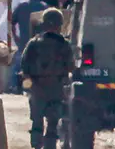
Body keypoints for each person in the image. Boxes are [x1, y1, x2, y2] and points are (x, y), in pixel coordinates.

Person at [21, 8, 74, 149]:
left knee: (37, 123)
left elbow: (24, 65)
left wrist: (29, 85)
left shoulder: (34, 43)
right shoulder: (64, 44)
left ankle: (36, 146)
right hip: (56, 89)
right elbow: (70, 66)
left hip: (37, 89)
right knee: (52, 124)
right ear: (60, 24)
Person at [10, 0, 49, 93]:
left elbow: (11, 23)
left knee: (19, 64)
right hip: (40, 42)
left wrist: (15, 36)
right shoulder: (44, 7)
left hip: (24, 41)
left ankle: (15, 86)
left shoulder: (21, 5)